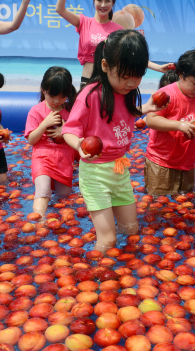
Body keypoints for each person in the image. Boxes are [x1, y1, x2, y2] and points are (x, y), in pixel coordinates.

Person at [62, 29, 164, 252]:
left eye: (137, 76)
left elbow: (125, 113)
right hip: (96, 172)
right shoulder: (91, 94)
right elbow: (69, 129)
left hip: (120, 167)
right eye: (125, 76)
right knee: (108, 241)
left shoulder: (126, 92)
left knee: (131, 230)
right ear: (106, 66)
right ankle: (93, 279)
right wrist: (79, 144)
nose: (131, 83)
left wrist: (146, 109)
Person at [55, 0, 171, 89]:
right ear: (94, 1)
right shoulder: (84, 22)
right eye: (99, 0)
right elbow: (60, 9)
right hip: (87, 82)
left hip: (109, 85)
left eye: (107, 1)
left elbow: (133, 54)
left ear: (113, 3)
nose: (103, 5)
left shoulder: (119, 30)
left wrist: (158, 67)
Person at [145, 50, 195, 195]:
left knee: (184, 201)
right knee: (158, 205)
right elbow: (150, 119)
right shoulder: (167, 94)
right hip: (161, 163)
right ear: (181, 74)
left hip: (186, 164)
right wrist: (178, 125)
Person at [25, 67, 77, 218]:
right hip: (43, 158)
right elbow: (31, 140)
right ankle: (38, 221)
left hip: (63, 160)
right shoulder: (36, 111)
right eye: (52, 95)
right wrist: (43, 124)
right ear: (43, 90)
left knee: (64, 196)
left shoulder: (70, 112)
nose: (56, 101)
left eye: (62, 97)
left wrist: (64, 132)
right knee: (43, 191)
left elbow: (79, 136)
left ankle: (60, 221)